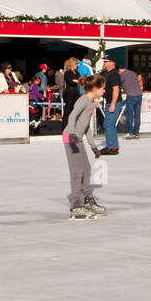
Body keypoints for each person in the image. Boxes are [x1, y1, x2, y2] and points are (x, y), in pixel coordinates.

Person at [63, 75, 107, 219]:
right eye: (102, 88)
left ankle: (87, 200)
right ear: (94, 89)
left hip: (77, 139)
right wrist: (72, 133)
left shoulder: (90, 102)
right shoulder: (83, 100)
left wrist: (93, 145)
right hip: (71, 138)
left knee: (86, 170)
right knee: (77, 171)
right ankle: (76, 206)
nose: (104, 91)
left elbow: (86, 126)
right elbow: (72, 116)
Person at [99, 56, 123, 155]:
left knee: (109, 124)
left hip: (114, 102)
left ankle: (112, 147)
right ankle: (111, 146)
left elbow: (116, 89)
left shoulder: (114, 74)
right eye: (104, 61)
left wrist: (113, 104)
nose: (104, 63)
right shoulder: (106, 74)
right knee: (108, 124)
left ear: (112, 63)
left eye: (106, 61)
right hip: (108, 101)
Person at [119, 64, 143, 140]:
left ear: (119, 69)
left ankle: (130, 132)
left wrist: (122, 89)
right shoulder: (133, 73)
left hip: (131, 95)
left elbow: (118, 85)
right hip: (139, 95)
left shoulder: (121, 75)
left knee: (130, 115)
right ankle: (136, 133)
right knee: (137, 115)